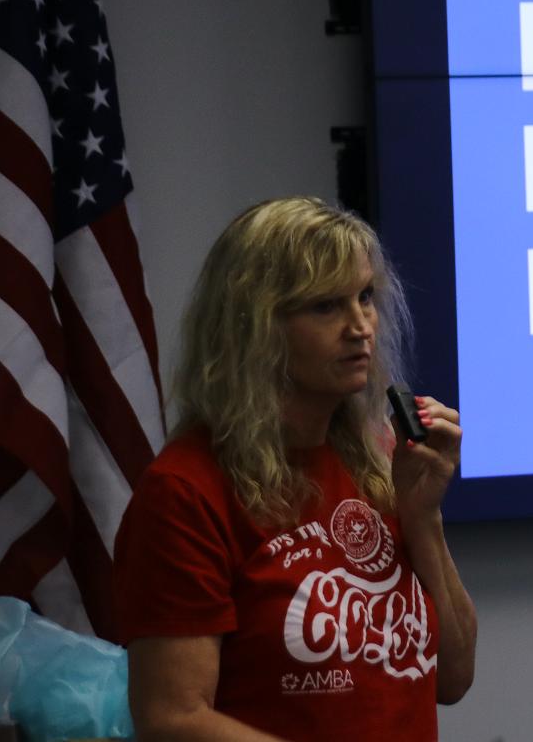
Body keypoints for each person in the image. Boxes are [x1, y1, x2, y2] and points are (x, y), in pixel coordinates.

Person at [113, 197, 477, 741]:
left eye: (365, 297)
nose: (360, 326)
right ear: (256, 328)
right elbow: (173, 718)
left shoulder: (382, 455)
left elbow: (452, 677)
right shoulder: (185, 490)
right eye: (325, 306)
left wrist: (423, 518)